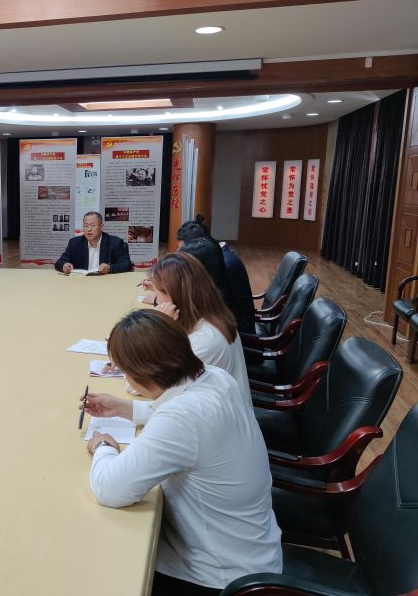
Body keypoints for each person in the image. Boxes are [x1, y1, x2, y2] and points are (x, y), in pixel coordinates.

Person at [82, 309, 282, 594]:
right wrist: (127, 408)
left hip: (219, 577)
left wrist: (104, 447)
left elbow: (110, 489)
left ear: (141, 374)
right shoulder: (214, 377)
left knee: (105, 563)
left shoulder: (181, 419)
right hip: (250, 549)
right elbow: (188, 425)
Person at [140, 252, 250, 403]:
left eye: (158, 296)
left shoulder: (201, 343)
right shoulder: (211, 314)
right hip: (216, 407)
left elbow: (145, 387)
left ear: (174, 298)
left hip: (213, 415)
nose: (157, 303)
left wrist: (159, 329)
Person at [177, 215, 256, 334]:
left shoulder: (224, 265)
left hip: (237, 330)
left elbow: (203, 305)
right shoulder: (219, 257)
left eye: (183, 250)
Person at [55, 211, 132, 275]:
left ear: (101, 226)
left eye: (93, 225)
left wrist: (109, 268)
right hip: (81, 283)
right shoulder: (75, 243)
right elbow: (60, 262)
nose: (89, 229)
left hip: (106, 283)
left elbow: (127, 265)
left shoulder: (115, 243)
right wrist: (64, 265)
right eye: (86, 226)